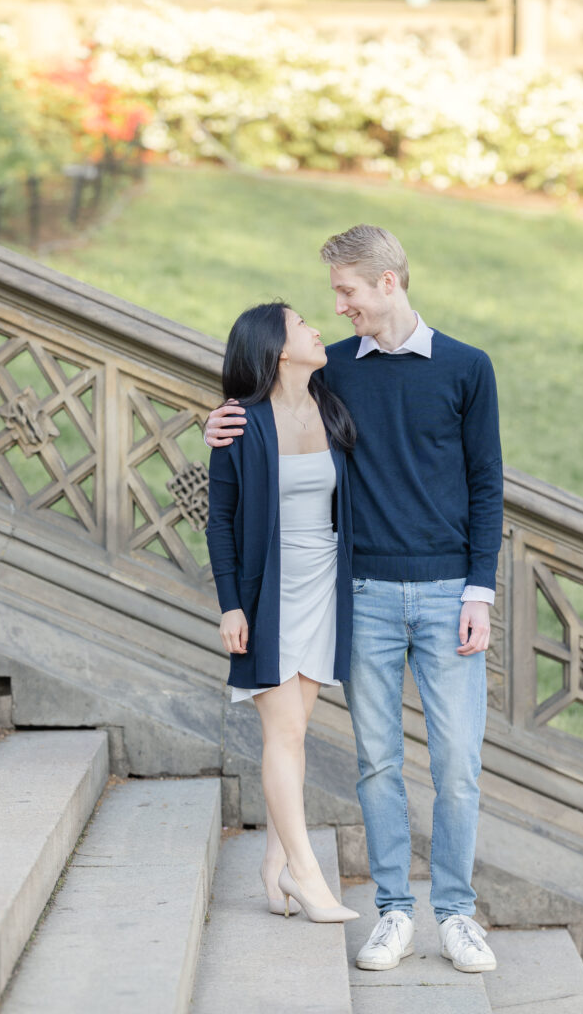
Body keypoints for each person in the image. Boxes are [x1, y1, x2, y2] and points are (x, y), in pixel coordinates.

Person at [206, 226, 503, 972]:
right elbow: (261, 402)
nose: (335, 308)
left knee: (458, 765)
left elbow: (486, 485)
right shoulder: (330, 369)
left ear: (388, 284)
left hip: (447, 596)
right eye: (332, 295)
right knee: (376, 763)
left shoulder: (468, 368)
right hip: (361, 592)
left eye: (346, 292)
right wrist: (213, 421)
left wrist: (480, 590)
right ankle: (394, 913)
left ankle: (457, 914)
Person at [205, 301, 359, 923]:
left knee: (296, 737)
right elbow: (219, 520)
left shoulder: (333, 402)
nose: (318, 328)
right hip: (269, 592)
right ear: (274, 348)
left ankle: (275, 866)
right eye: (302, 325)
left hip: (324, 583)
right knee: (284, 732)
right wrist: (231, 605)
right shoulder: (240, 423)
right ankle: (307, 874)